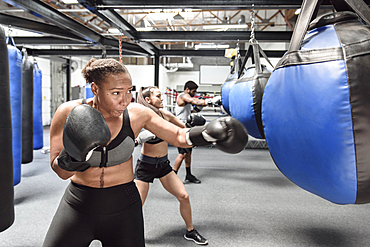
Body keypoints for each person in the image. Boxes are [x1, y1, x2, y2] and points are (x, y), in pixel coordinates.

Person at [43, 58, 246, 247]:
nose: (124, 100)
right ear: (95, 88)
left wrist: (209, 134)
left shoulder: (137, 114)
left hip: (123, 207)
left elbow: (177, 135)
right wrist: (76, 152)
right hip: (79, 204)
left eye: (128, 91)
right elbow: (61, 172)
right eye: (115, 93)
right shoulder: (68, 112)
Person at [134, 86, 208, 245]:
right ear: (148, 100)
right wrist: (143, 136)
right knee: (136, 205)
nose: (162, 99)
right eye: (158, 96)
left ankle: (190, 231)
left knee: (184, 196)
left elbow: (183, 129)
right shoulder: (141, 117)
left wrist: (203, 133)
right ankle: (129, 236)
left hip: (163, 165)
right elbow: (135, 135)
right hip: (146, 165)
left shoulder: (165, 115)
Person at [173, 80, 220, 184]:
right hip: (180, 129)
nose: (194, 93)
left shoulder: (187, 101)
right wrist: (209, 101)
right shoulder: (182, 96)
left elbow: (192, 111)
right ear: (187, 89)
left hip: (186, 128)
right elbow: (194, 101)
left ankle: (188, 175)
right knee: (182, 153)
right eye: (193, 91)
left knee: (188, 152)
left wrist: (200, 107)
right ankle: (172, 177)